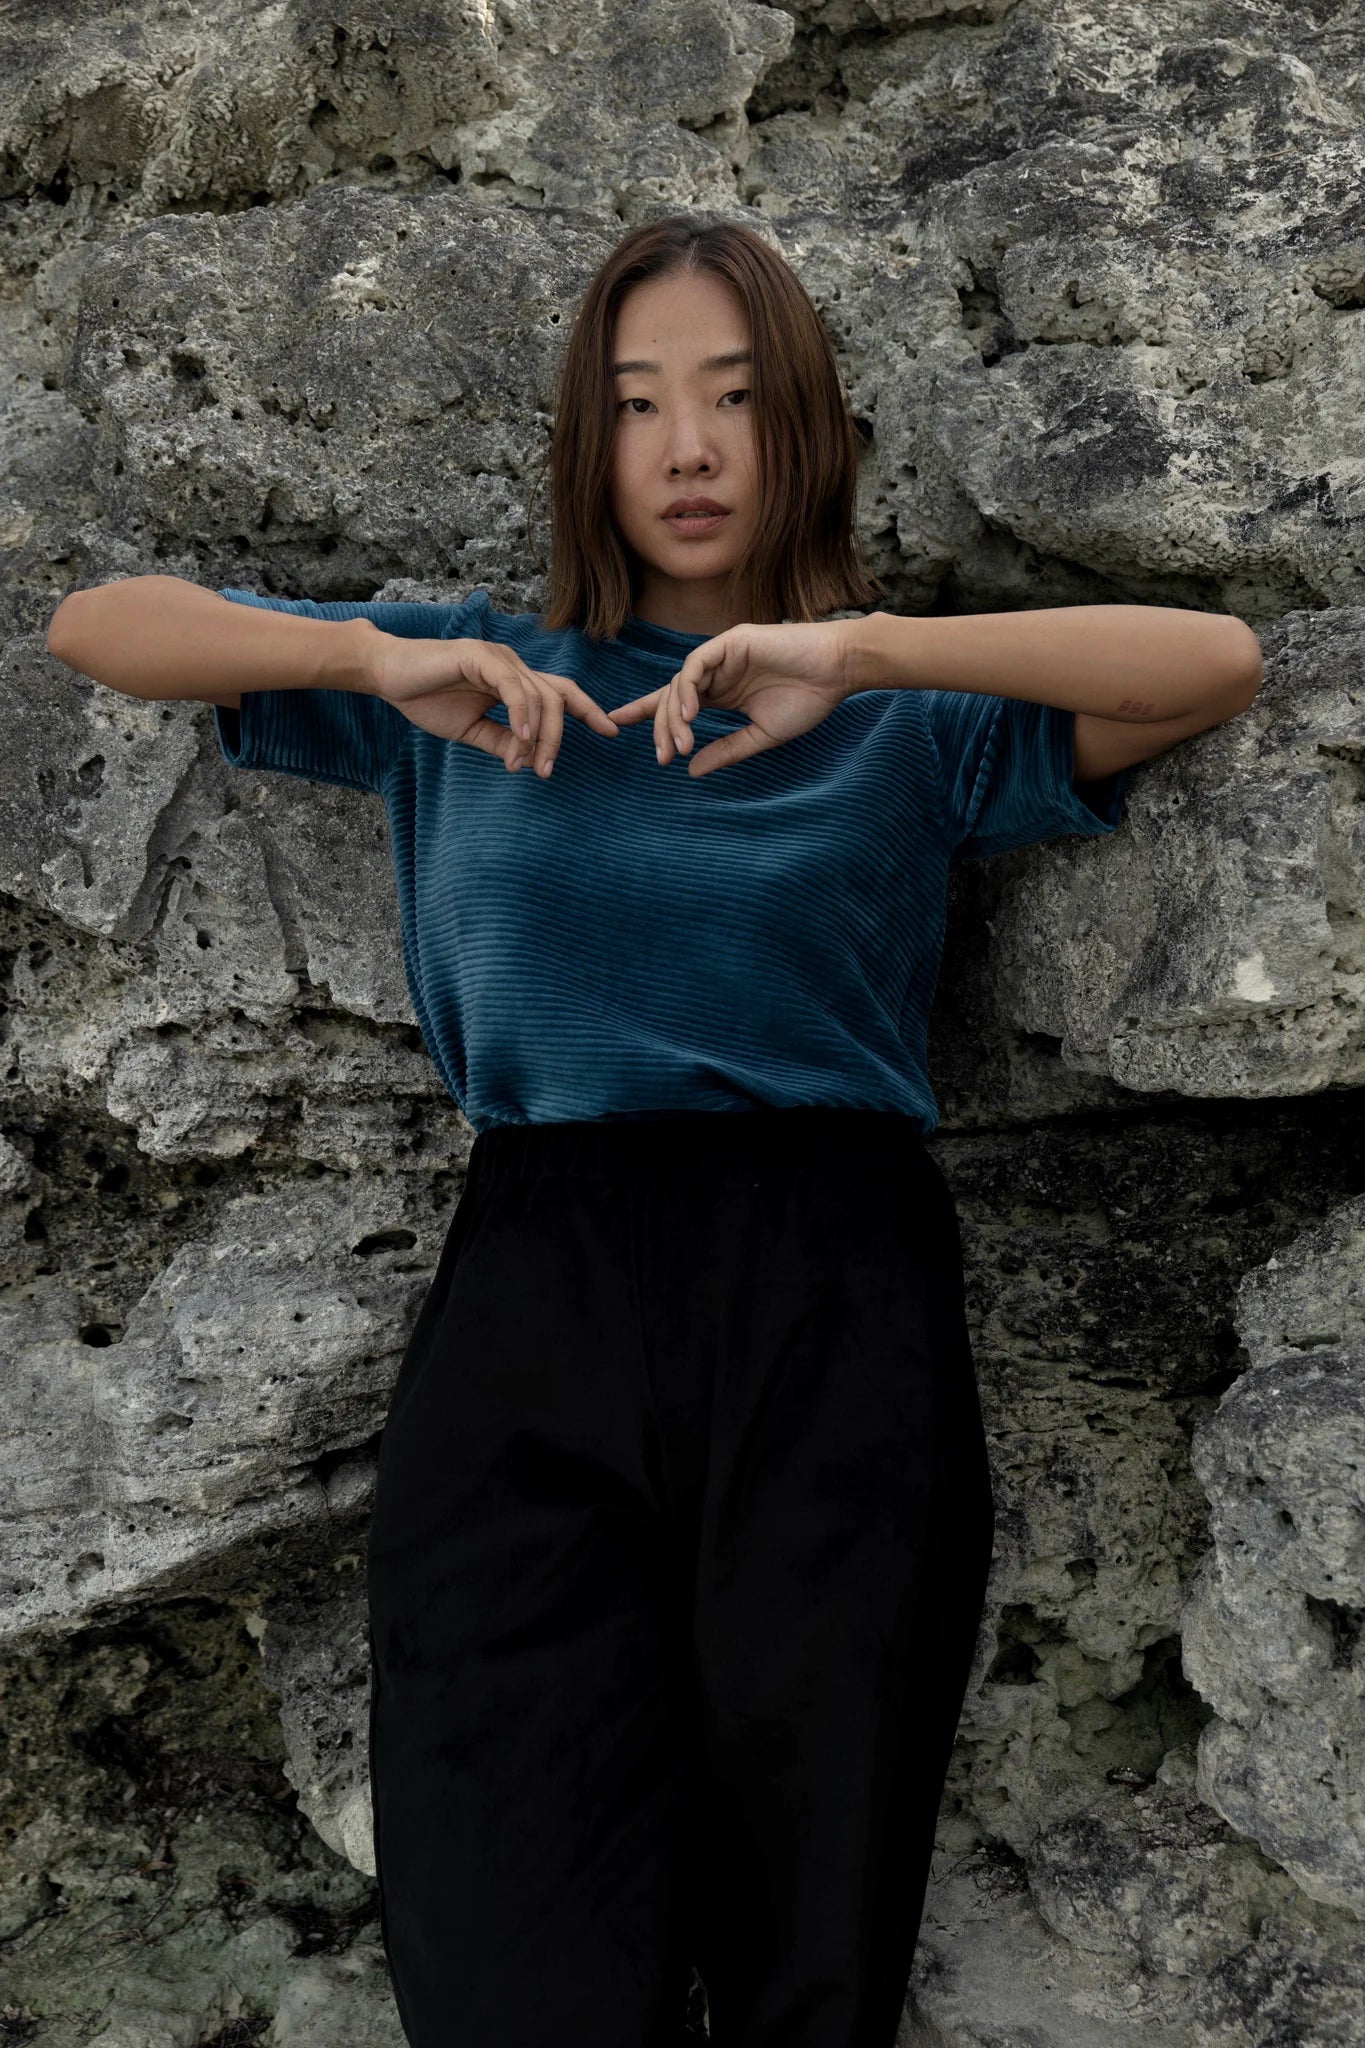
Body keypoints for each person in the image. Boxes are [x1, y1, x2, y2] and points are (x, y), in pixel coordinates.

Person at [46, 211, 1262, 2048]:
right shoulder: (463, 671)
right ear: (583, 442)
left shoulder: (905, 715)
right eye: (634, 405)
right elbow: (98, 628)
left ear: (809, 427)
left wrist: (857, 652)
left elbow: (1212, 661)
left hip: (835, 1293)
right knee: (506, 1934)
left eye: (734, 398)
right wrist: (377, 664)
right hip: (537, 1279)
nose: (686, 450)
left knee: (813, 1943)